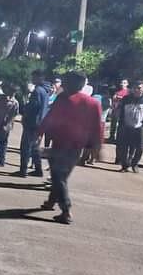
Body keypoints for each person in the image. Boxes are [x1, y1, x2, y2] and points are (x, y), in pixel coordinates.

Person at [37, 71, 102, 224]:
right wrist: (97, 148)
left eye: (66, 82)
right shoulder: (93, 103)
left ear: (72, 83)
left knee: (59, 177)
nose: (64, 85)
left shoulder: (63, 98)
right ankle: (51, 201)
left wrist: (40, 133)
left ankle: (66, 211)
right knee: (60, 176)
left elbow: (50, 117)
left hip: (60, 144)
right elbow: (97, 127)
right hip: (76, 147)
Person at [14, 69, 50, 177]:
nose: (32, 79)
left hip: (32, 123)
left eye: (34, 77)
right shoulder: (45, 91)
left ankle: (23, 170)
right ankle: (38, 169)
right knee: (35, 147)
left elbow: (33, 107)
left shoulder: (37, 91)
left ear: (40, 78)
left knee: (26, 146)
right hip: (40, 123)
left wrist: (25, 110)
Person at [118, 81, 143, 173]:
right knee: (124, 147)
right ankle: (124, 165)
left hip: (139, 126)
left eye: (139, 88)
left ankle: (134, 163)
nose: (137, 90)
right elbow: (121, 111)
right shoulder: (126, 99)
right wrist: (121, 123)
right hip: (126, 125)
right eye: (135, 88)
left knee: (140, 147)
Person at [0, 93, 19, 166]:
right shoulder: (1, 97)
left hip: (5, 125)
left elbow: (14, 115)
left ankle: (1, 160)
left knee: (3, 142)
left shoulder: (15, 102)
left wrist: (7, 124)